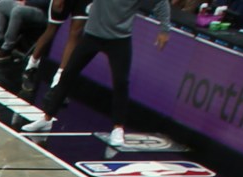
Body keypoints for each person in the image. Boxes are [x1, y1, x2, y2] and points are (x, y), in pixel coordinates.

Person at [22, 0, 171, 142]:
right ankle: (47, 118)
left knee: (121, 82)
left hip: (119, 39)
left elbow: (161, 3)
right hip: (92, 35)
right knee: (68, 74)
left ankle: (118, 128)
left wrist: (164, 29)